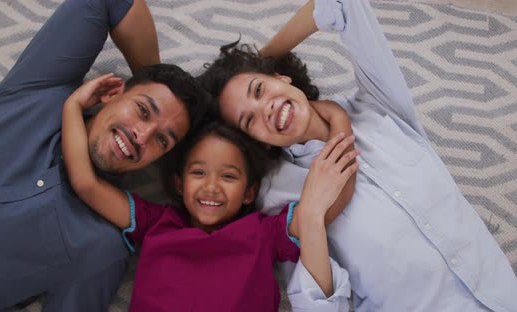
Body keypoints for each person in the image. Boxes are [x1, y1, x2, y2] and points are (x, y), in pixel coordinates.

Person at [198, 0, 517, 311]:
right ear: (256, 141)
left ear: (282, 76)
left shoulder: (378, 106)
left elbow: (343, 5)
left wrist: (257, 63)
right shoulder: (278, 193)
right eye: (249, 120)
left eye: (259, 90)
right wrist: (310, 215)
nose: (263, 108)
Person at [0, 0, 210, 310]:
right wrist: (160, 76)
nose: (141, 136)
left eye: (161, 140)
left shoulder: (100, 247)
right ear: (114, 92)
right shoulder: (43, 89)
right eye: (142, 110)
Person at [61, 75, 358, 311]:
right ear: (178, 184)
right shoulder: (157, 222)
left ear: (248, 192)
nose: (212, 187)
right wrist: (72, 107)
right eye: (198, 173)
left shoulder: (264, 233)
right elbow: (87, 185)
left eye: (229, 176)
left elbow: (321, 210)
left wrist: (337, 119)